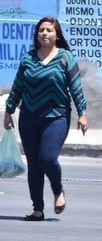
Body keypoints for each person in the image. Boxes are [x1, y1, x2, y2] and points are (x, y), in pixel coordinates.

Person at [3, 16, 88, 221]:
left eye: (49, 30)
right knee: (34, 163)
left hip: (56, 116)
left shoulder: (65, 57)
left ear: (56, 34)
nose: (45, 33)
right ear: (37, 35)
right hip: (29, 116)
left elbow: (76, 87)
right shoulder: (28, 59)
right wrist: (9, 111)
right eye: (41, 30)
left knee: (47, 158)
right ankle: (37, 209)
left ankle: (58, 191)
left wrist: (82, 113)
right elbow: (18, 87)